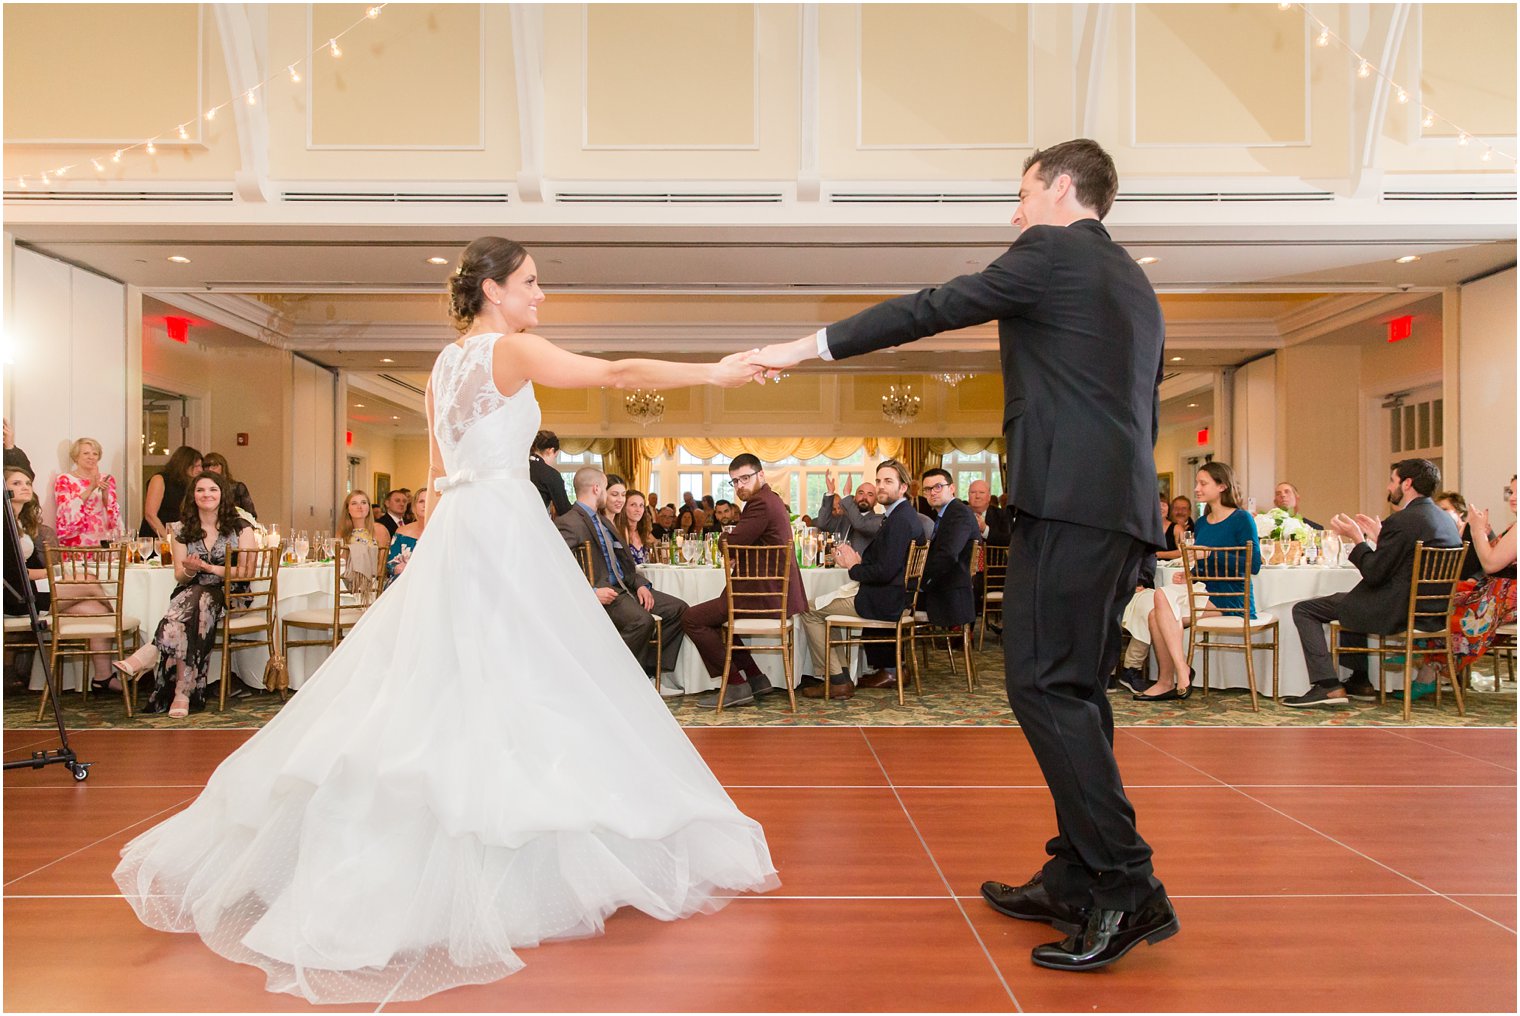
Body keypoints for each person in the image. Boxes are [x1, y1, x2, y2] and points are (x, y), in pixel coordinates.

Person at [114, 236, 777, 1004]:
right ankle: (502, 858)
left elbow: (435, 473)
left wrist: (419, 551)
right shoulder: (512, 352)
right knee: (528, 673)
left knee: (441, 680)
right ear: (494, 289)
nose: (540, 295)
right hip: (497, 525)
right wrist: (718, 369)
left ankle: (470, 841)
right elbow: (617, 374)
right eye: (530, 282)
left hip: (460, 525)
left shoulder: (440, 363)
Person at [752, 139, 1177, 970]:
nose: (1014, 213)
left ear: (1059, 187)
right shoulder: (1132, 278)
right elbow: (1136, 404)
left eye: (1021, 193)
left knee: (1044, 687)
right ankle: (1079, 873)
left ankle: (1128, 887)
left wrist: (800, 350)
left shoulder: (1051, 252)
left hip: (1070, 506)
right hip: (1116, 508)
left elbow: (931, 306)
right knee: (1078, 690)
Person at [1285, 458, 1463, 708]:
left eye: (1392, 481)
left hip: (1396, 610)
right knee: (1345, 599)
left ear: (1407, 483)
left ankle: (1328, 685)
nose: (1389, 488)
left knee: (1304, 609)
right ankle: (1360, 680)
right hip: (1432, 611)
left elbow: (1374, 573)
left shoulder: (1403, 520)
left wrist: (1358, 540)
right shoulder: (1444, 520)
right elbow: (1407, 559)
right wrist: (1381, 537)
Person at [112, 473, 258, 716]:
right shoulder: (181, 529)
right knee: (194, 604)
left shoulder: (241, 528)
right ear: (193, 496)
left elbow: (246, 571)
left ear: (222, 494)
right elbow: (180, 576)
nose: (207, 495)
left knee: (196, 601)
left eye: (212, 489)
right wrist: (190, 570)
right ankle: (182, 693)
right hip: (192, 593)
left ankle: (153, 652)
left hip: (230, 593)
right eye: (200, 490)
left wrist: (209, 568)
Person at [684, 455, 808, 709]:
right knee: (719, 619)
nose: (739, 485)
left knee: (691, 619)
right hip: (765, 590)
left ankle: (735, 685)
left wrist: (726, 543)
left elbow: (731, 542)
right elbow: (747, 541)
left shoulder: (760, 503)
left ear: (761, 475)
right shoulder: (769, 500)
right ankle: (755, 678)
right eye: (734, 481)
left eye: (745, 478)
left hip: (764, 595)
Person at [1134, 462, 1260, 701]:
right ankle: (1168, 678)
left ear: (1222, 486)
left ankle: (1179, 673)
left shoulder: (1242, 519)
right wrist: (1191, 573)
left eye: (1203, 483)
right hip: (1204, 592)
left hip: (1230, 596)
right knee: (1154, 614)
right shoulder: (1201, 522)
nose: (1197, 488)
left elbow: (1253, 564)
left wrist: (1210, 553)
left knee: (1159, 599)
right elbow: (1203, 563)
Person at [796, 459, 922, 700]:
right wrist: (860, 564)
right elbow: (889, 566)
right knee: (820, 605)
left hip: (882, 600)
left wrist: (854, 566)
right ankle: (840, 676)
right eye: (878, 481)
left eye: (888, 481)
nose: (881, 486)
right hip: (891, 597)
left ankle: (838, 680)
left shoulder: (900, 520)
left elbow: (885, 571)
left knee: (809, 609)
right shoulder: (900, 516)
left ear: (903, 487)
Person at [555, 467, 688, 677]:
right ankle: (609, 675)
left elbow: (623, 565)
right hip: (606, 592)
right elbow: (557, 565)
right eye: (608, 490)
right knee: (643, 621)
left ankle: (647, 669)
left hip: (626, 586)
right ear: (597, 489)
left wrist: (641, 584)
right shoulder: (570, 522)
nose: (612, 496)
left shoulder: (604, 521)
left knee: (679, 610)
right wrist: (590, 591)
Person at [1409, 475, 1517, 698]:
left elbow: (1490, 564)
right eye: (1511, 492)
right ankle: (1425, 652)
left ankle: (1427, 655)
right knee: (1448, 596)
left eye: (1518, 493)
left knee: (1454, 607)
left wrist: (1477, 531)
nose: (1513, 498)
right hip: (1500, 590)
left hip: (1509, 596)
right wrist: (1483, 534)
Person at [917, 469, 978, 636]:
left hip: (949, 594)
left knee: (885, 602)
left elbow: (948, 555)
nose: (932, 493)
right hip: (945, 588)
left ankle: (889, 661)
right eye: (927, 489)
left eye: (938, 487)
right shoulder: (946, 514)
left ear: (952, 488)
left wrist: (921, 584)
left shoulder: (958, 512)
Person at [54, 437, 123, 546]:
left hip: (103, 538)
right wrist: (90, 488)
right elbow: (65, 511)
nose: (91, 457)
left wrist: (105, 493)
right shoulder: (64, 479)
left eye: (95, 454)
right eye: (86, 453)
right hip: (77, 539)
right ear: (76, 457)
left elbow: (113, 511)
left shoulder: (107, 479)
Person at [139, 445, 201, 540]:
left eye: (200, 466)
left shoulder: (191, 484)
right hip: (157, 536)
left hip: (178, 535)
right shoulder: (160, 479)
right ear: (184, 464)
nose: (200, 470)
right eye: (196, 466)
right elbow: (150, 514)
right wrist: (168, 538)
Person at [814, 473, 882, 554]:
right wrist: (830, 493)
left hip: (861, 566)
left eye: (870, 494)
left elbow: (859, 524)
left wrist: (846, 495)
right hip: (838, 565)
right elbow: (823, 523)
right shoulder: (843, 519)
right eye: (860, 493)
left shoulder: (879, 521)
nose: (864, 497)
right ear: (854, 498)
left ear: (876, 502)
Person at [386, 486, 429, 581]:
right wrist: (397, 568)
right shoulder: (401, 532)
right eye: (421, 501)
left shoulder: (444, 532)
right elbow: (390, 562)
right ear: (414, 506)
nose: (425, 505)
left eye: (429, 500)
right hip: (403, 582)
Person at [201, 452, 258, 519]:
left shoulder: (237, 488)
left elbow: (251, 515)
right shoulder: (201, 490)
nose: (210, 469)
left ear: (223, 467)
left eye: (214, 466)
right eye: (206, 467)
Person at [529, 430, 572, 516]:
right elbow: (565, 511)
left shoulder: (521, 467)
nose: (553, 461)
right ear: (550, 450)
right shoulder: (550, 474)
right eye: (555, 457)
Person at [614, 489, 655, 564]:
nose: (638, 509)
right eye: (633, 505)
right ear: (623, 507)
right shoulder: (618, 532)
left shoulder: (644, 531)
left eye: (641, 505)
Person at [967, 479, 1011, 547]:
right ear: (968, 497)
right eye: (973, 492)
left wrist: (985, 530)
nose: (977, 496)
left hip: (993, 557)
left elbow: (1009, 540)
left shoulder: (1002, 515)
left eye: (981, 492)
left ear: (989, 497)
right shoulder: (959, 515)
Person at [1154, 496, 1195, 562]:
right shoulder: (1145, 527)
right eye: (1176, 508)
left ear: (1190, 511)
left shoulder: (1194, 528)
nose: (1180, 512)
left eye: (1184, 509)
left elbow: (1185, 551)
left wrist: (1157, 554)